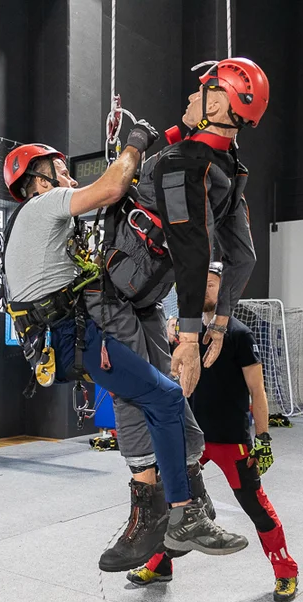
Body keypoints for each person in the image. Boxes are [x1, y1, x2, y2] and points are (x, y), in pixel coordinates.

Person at [1, 109, 249, 571]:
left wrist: (174, 131)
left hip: (75, 333)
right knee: (167, 398)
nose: (67, 176)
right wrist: (136, 141)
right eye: (57, 171)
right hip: (79, 334)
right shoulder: (41, 207)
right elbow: (115, 186)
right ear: (36, 183)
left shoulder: (39, 225)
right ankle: (179, 513)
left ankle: (184, 494)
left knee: (159, 395)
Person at [92, 57, 269, 572]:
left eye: (201, 92)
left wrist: (191, 337)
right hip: (145, 299)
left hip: (116, 296)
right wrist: (218, 322)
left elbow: (193, 249)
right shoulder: (229, 170)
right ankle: (192, 500)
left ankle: (150, 514)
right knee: (168, 396)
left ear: (218, 103)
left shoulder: (181, 164)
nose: (190, 98)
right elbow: (244, 258)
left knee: (133, 391)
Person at [128, 264, 299, 602]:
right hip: (190, 440)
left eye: (211, 285)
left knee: (256, 506)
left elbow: (258, 391)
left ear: (224, 292)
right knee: (169, 501)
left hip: (230, 440)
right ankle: (160, 564)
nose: (204, 291)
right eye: (199, 284)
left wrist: (263, 439)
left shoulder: (238, 334)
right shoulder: (184, 338)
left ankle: (286, 571)